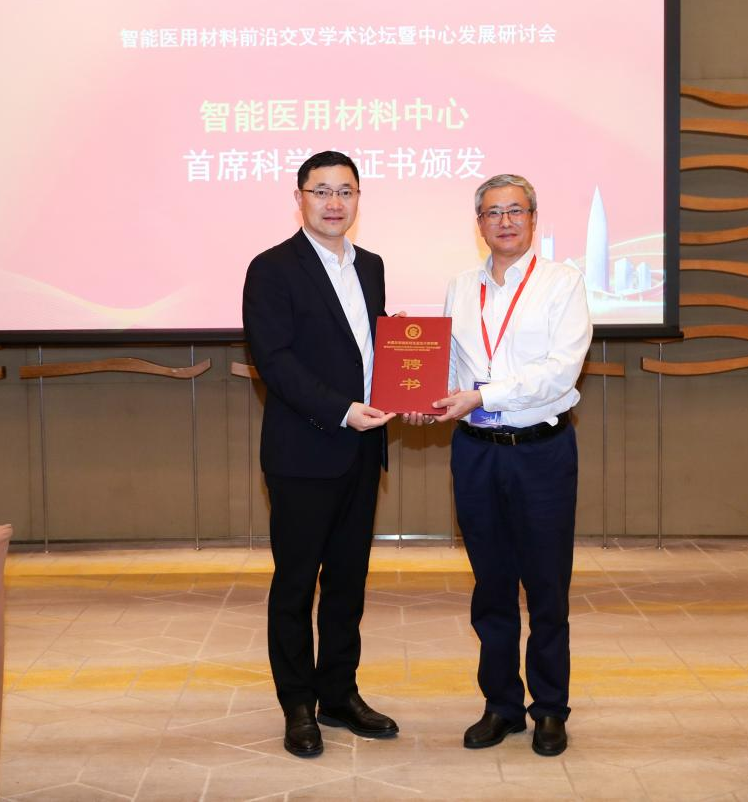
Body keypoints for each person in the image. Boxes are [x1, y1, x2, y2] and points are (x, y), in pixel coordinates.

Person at [409, 173, 592, 756]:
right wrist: (423, 401)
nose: (505, 221)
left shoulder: (563, 283)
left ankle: (550, 708)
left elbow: (560, 371)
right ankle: (502, 706)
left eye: (516, 211)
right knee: (490, 586)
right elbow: (448, 366)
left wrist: (482, 395)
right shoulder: (461, 288)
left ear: (533, 219)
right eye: (493, 212)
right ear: (479, 224)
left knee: (546, 587)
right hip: (476, 453)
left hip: (541, 452)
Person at [242, 150, 399, 758]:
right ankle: (298, 705)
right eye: (321, 191)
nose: (334, 203)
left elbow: (373, 349)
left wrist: (401, 390)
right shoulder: (272, 268)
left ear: (359, 198)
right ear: (300, 198)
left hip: (362, 450)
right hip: (304, 452)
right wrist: (340, 409)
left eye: (345, 191)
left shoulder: (372, 266)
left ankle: (339, 693)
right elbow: (274, 360)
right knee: (295, 586)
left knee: (347, 584)